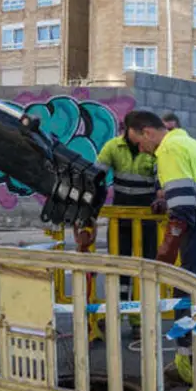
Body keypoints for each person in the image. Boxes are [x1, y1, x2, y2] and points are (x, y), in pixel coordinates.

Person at [129, 111, 196, 391]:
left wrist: (166, 251)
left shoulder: (169, 151)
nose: (140, 150)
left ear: (147, 132)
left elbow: (183, 209)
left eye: (138, 142)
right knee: (188, 300)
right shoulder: (194, 145)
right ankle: (188, 368)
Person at [76, 111, 165, 339]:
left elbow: (161, 182)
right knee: (119, 268)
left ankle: (139, 318)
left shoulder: (155, 150)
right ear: (130, 131)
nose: (143, 138)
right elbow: (97, 178)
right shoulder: (113, 147)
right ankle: (115, 313)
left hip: (147, 220)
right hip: (120, 218)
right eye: (140, 133)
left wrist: (160, 198)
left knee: (144, 268)